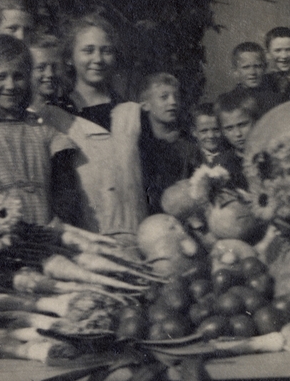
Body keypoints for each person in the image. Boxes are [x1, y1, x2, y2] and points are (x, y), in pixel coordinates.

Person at [0, 35, 81, 226]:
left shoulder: (43, 131)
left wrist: (58, 221)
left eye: (18, 76)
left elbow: (65, 190)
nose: (10, 86)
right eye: (1, 77)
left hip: (45, 232)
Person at [36, 14, 146, 240]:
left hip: (137, 239)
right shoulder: (55, 116)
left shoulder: (132, 113)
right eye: (88, 50)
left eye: (106, 50)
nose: (98, 59)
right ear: (69, 58)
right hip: (85, 244)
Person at [137, 72, 193, 215]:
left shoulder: (189, 145)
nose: (173, 102)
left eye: (176, 97)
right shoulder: (140, 147)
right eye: (164, 97)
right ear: (145, 105)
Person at [215, 88, 257, 188]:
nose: (238, 134)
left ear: (256, 121)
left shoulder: (271, 155)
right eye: (229, 128)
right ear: (222, 131)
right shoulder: (222, 166)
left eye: (243, 125)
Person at [229, 41, 283, 118]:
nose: (252, 72)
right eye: (246, 67)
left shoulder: (275, 98)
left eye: (257, 66)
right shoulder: (231, 101)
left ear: (265, 67)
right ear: (235, 71)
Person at [28, 33, 67, 112]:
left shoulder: (69, 111)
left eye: (55, 67)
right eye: (41, 68)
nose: (50, 74)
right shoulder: (18, 114)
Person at [262, 26, 290, 99]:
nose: (284, 56)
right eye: (278, 50)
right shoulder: (261, 83)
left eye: (289, 50)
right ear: (267, 54)